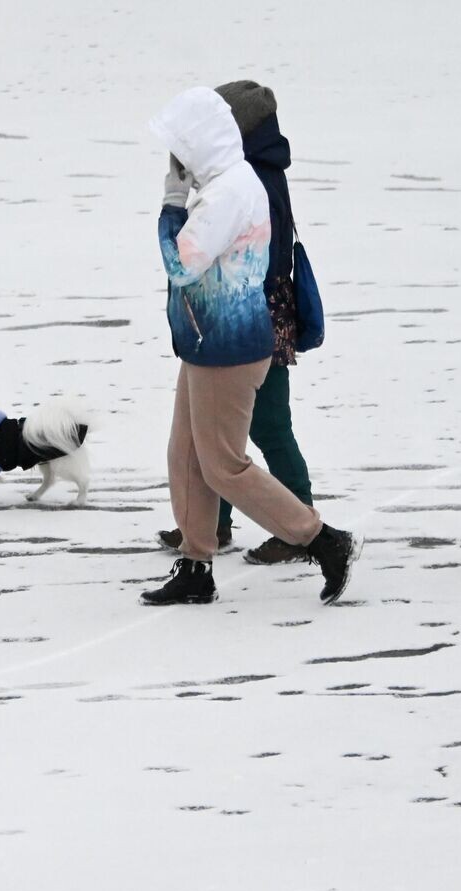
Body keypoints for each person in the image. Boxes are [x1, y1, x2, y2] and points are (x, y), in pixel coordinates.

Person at [142, 86, 361, 606]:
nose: (175, 162)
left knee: (223, 465)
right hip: (204, 340)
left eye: (179, 150)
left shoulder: (230, 193)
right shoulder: (227, 183)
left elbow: (182, 264)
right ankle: (196, 567)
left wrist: (171, 206)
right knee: (187, 454)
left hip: (230, 348)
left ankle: (322, 540)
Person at [157, 80, 314, 565]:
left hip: (253, 321)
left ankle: (304, 524)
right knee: (222, 434)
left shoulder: (252, 179)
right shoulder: (250, 172)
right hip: (251, 318)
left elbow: (216, 260)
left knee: (266, 427)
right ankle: (214, 526)